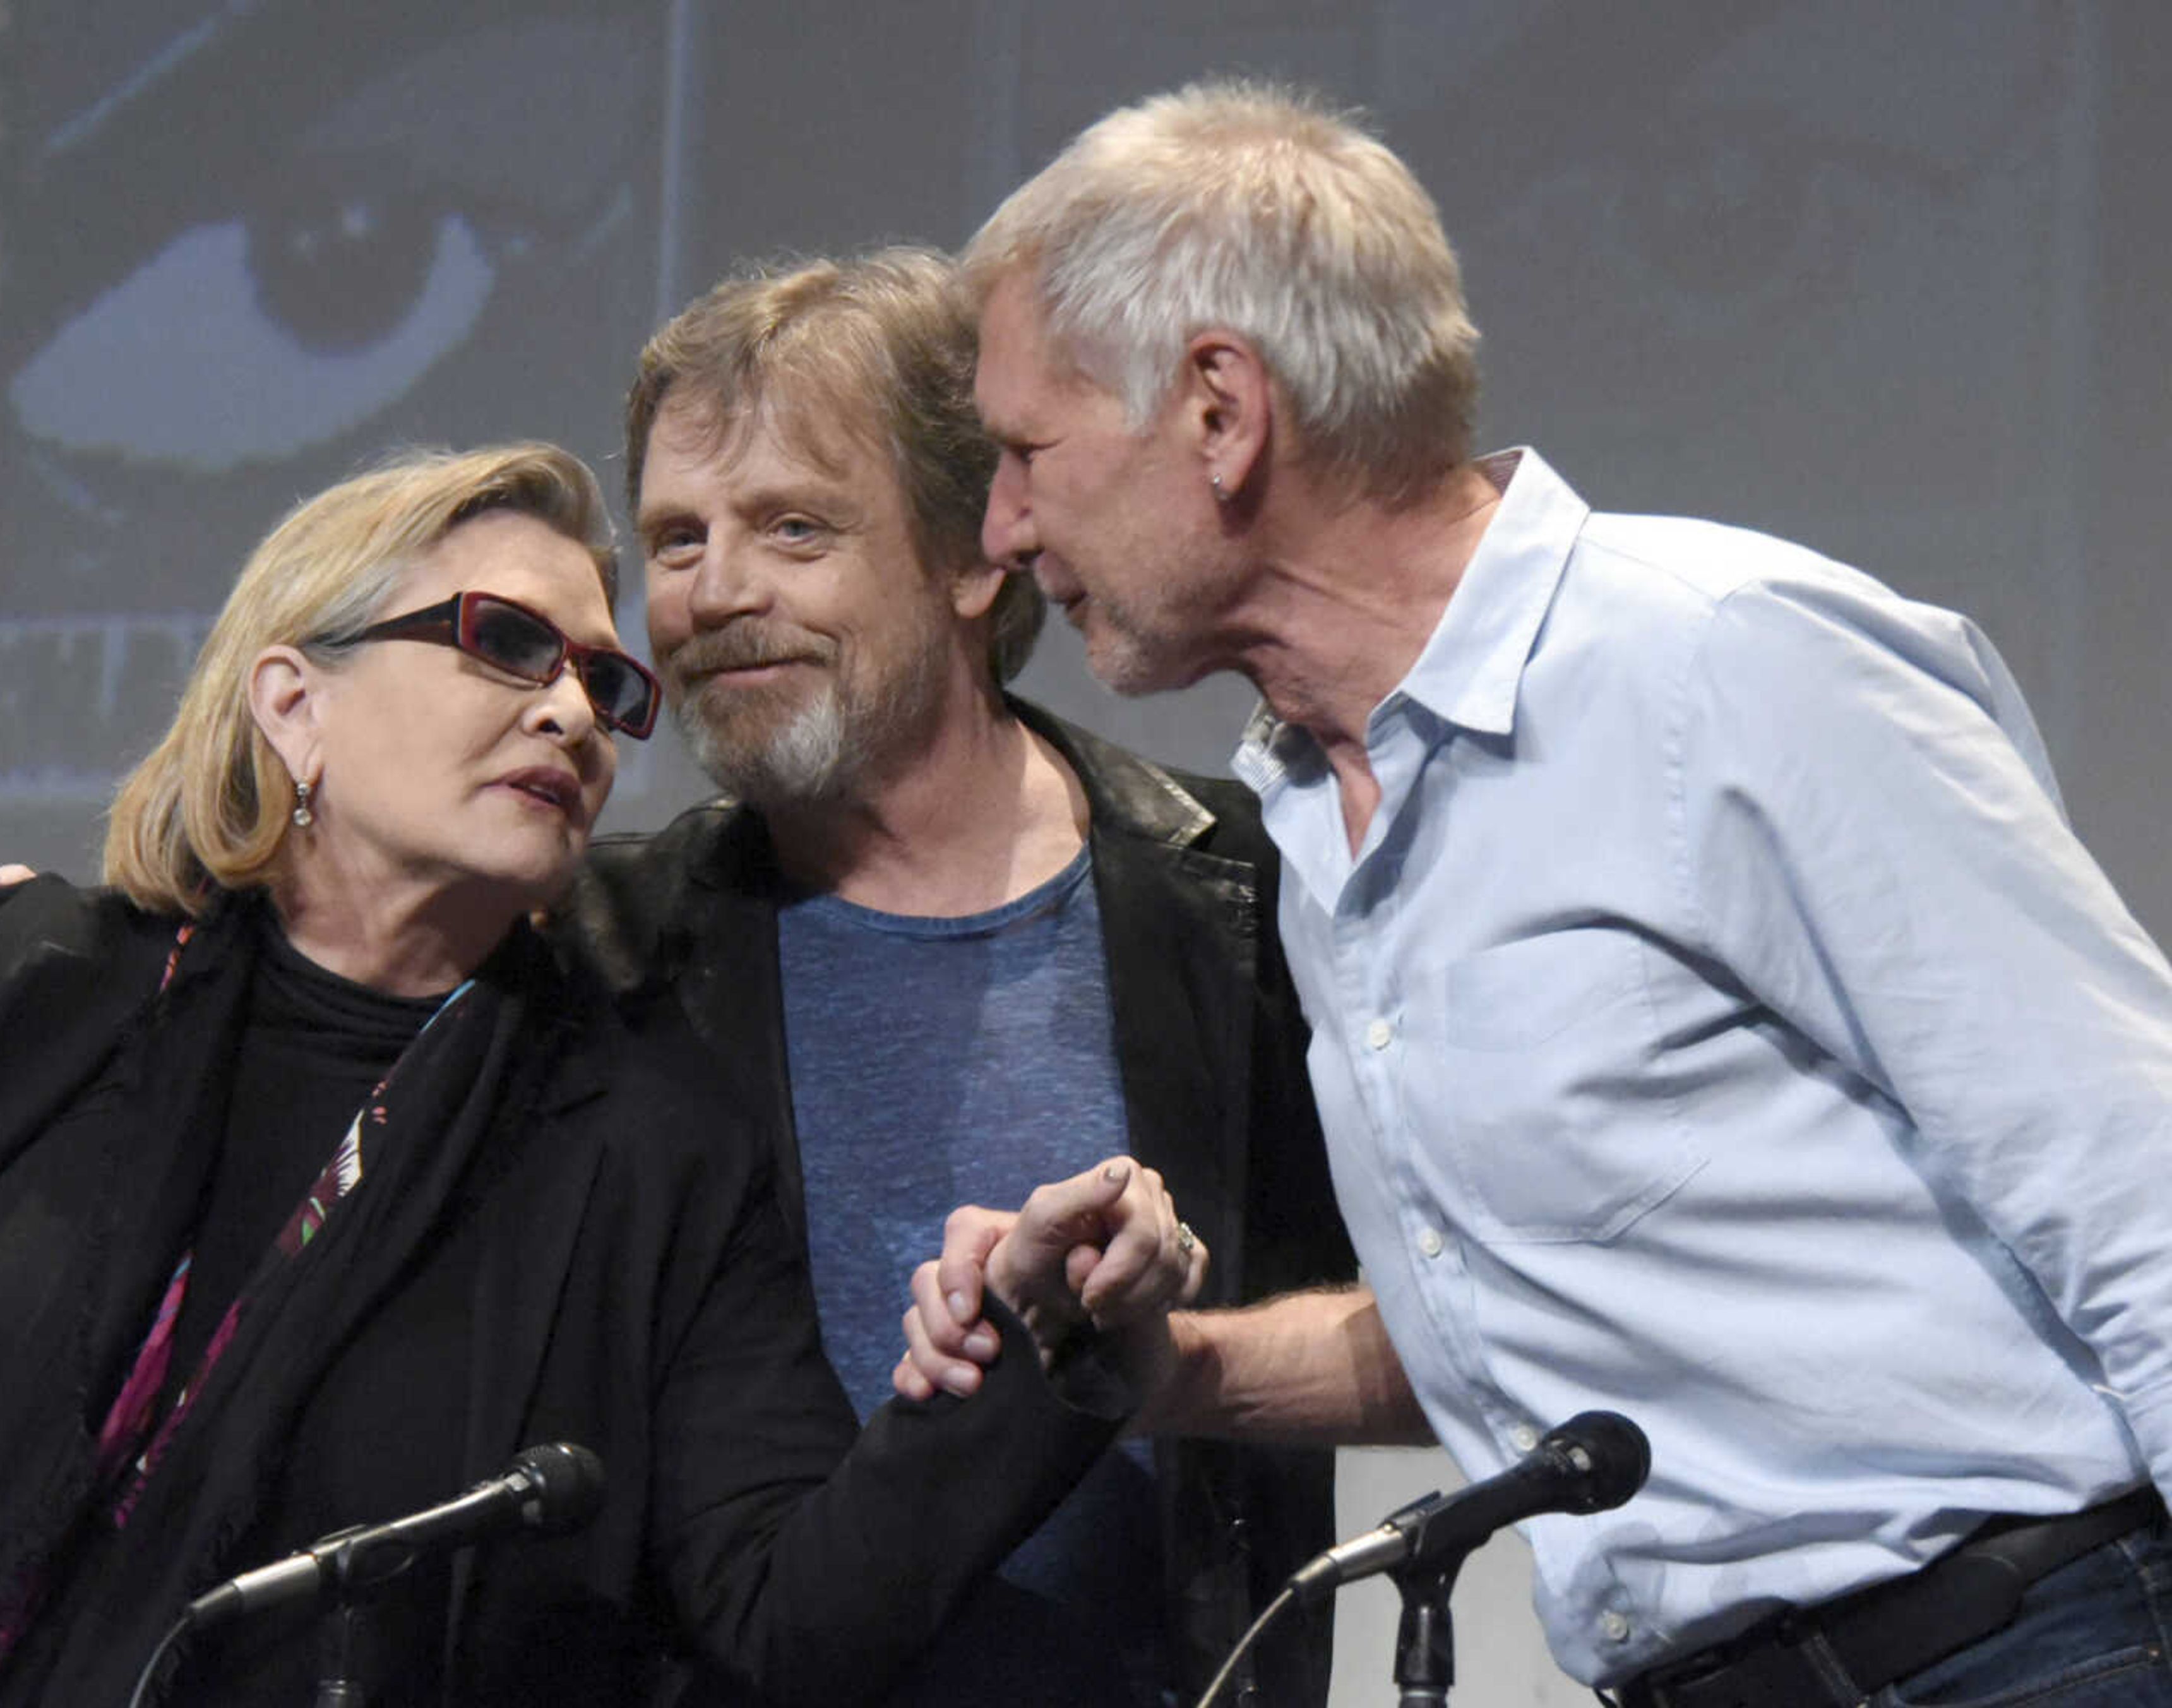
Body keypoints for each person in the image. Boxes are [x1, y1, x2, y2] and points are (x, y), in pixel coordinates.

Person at [0, 249, 1390, 1707]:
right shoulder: (600, 957)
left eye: (793, 526)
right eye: (678, 544)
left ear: (979, 556)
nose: (709, 597)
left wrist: (1118, 1361)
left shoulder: (1241, 895)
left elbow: (1483, 1328)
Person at [906, 78, 2172, 1705]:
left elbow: (2135, 1188)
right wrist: (1168, 1368)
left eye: (1025, 451)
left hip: (2028, 1657)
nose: (1004, 528)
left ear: (1220, 408)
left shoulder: (1725, 665)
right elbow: (1513, 1320)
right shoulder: (1314, 809)